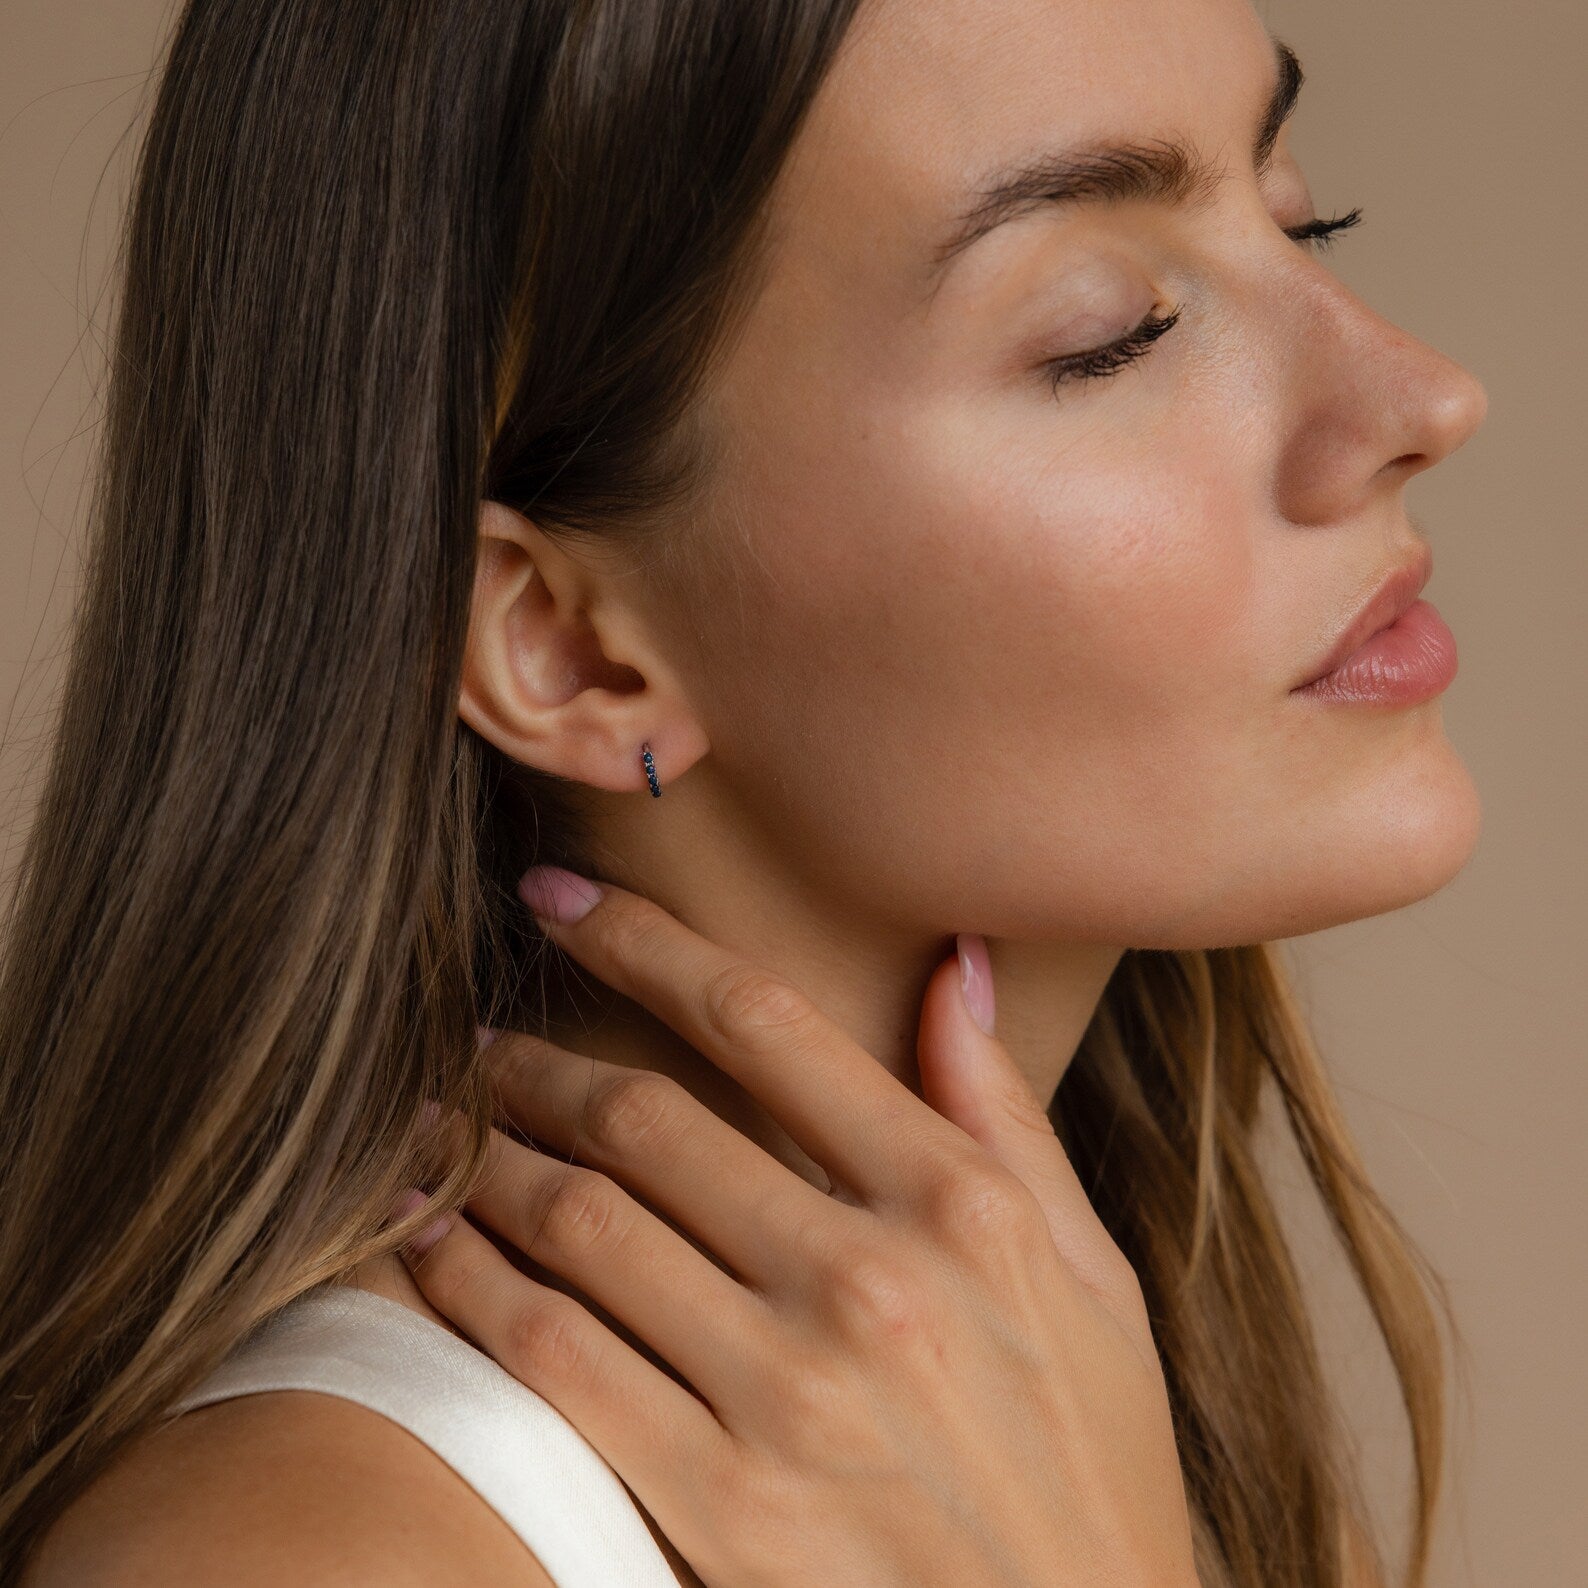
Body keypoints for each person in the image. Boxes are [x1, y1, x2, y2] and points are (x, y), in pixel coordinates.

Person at [0, 0, 1488, 1582]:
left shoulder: (1095, 1438)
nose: (1425, 397)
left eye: (1298, 215)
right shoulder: (316, 1555)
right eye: (1111, 330)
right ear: (567, 647)